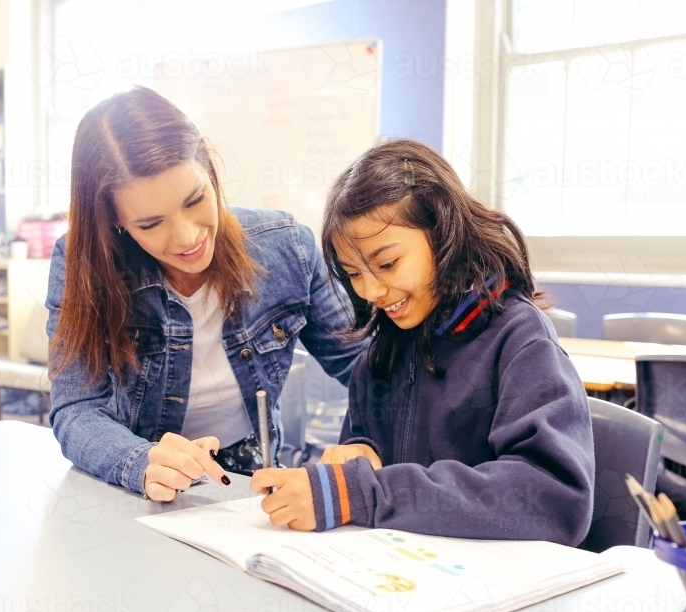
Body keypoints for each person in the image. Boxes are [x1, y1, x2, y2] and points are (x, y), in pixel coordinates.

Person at [250, 139, 595, 546]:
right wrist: (362, 451)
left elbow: (554, 498)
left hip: (494, 586)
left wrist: (364, 492)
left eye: (387, 264)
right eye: (354, 274)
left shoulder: (521, 341)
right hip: (407, 573)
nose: (372, 291)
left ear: (443, 232)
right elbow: (373, 464)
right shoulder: (382, 353)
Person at [46, 87, 367, 503]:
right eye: (150, 223)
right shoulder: (83, 265)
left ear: (209, 167)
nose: (188, 237)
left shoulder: (287, 246)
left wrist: (369, 443)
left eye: (195, 199)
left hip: (252, 472)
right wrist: (138, 461)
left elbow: (367, 368)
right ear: (114, 222)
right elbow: (77, 409)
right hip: (141, 480)